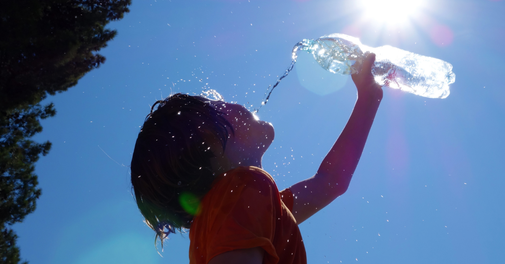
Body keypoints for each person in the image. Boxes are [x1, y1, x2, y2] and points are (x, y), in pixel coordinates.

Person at [130, 53, 383, 264]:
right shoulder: (241, 188)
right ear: (210, 141)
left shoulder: (245, 206)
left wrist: (369, 99)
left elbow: (331, 181)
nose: (232, 102)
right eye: (218, 104)